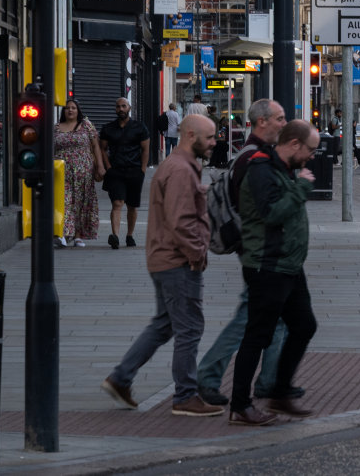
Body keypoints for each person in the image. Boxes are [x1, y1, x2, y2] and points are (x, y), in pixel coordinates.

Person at [102, 114, 222, 417]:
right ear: (190, 135)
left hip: (163, 257)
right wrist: (197, 253)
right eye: (209, 137)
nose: (214, 142)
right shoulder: (180, 170)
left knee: (164, 324)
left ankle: (120, 378)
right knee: (190, 328)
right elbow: (181, 221)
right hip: (177, 260)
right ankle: (185, 396)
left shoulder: (178, 165)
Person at [227, 120, 320, 426]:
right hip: (267, 265)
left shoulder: (283, 167)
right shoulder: (261, 169)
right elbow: (272, 214)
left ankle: (280, 392)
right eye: (310, 150)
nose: (312, 157)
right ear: (294, 144)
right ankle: (240, 405)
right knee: (258, 335)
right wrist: (301, 187)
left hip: (288, 265)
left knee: (304, 325)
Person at [197, 99, 289, 408]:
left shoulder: (252, 155)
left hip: (257, 249)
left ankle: (269, 381)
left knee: (276, 318)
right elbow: (263, 210)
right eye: (279, 118)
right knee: (250, 317)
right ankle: (208, 376)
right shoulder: (253, 159)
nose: (283, 123)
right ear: (262, 121)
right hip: (258, 251)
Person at [98, 97, 151, 249]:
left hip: (134, 171)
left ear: (129, 108)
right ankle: (115, 236)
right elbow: (102, 149)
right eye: (118, 107)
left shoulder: (140, 127)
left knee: (132, 206)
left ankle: (129, 235)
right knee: (117, 203)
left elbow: (145, 150)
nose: (120, 109)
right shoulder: (108, 128)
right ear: (115, 109)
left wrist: (142, 170)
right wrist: (108, 167)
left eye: (123, 106)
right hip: (115, 171)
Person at [54, 100, 104, 247]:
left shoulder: (86, 125)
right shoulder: (56, 128)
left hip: (84, 170)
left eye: (73, 108)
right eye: (67, 108)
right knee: (64, 201)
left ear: (78, 111)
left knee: (81, 203)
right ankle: (63, 234)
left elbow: (96, 146)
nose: (70, 110)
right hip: (61, 171)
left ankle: (78, 235)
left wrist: (100, 166)